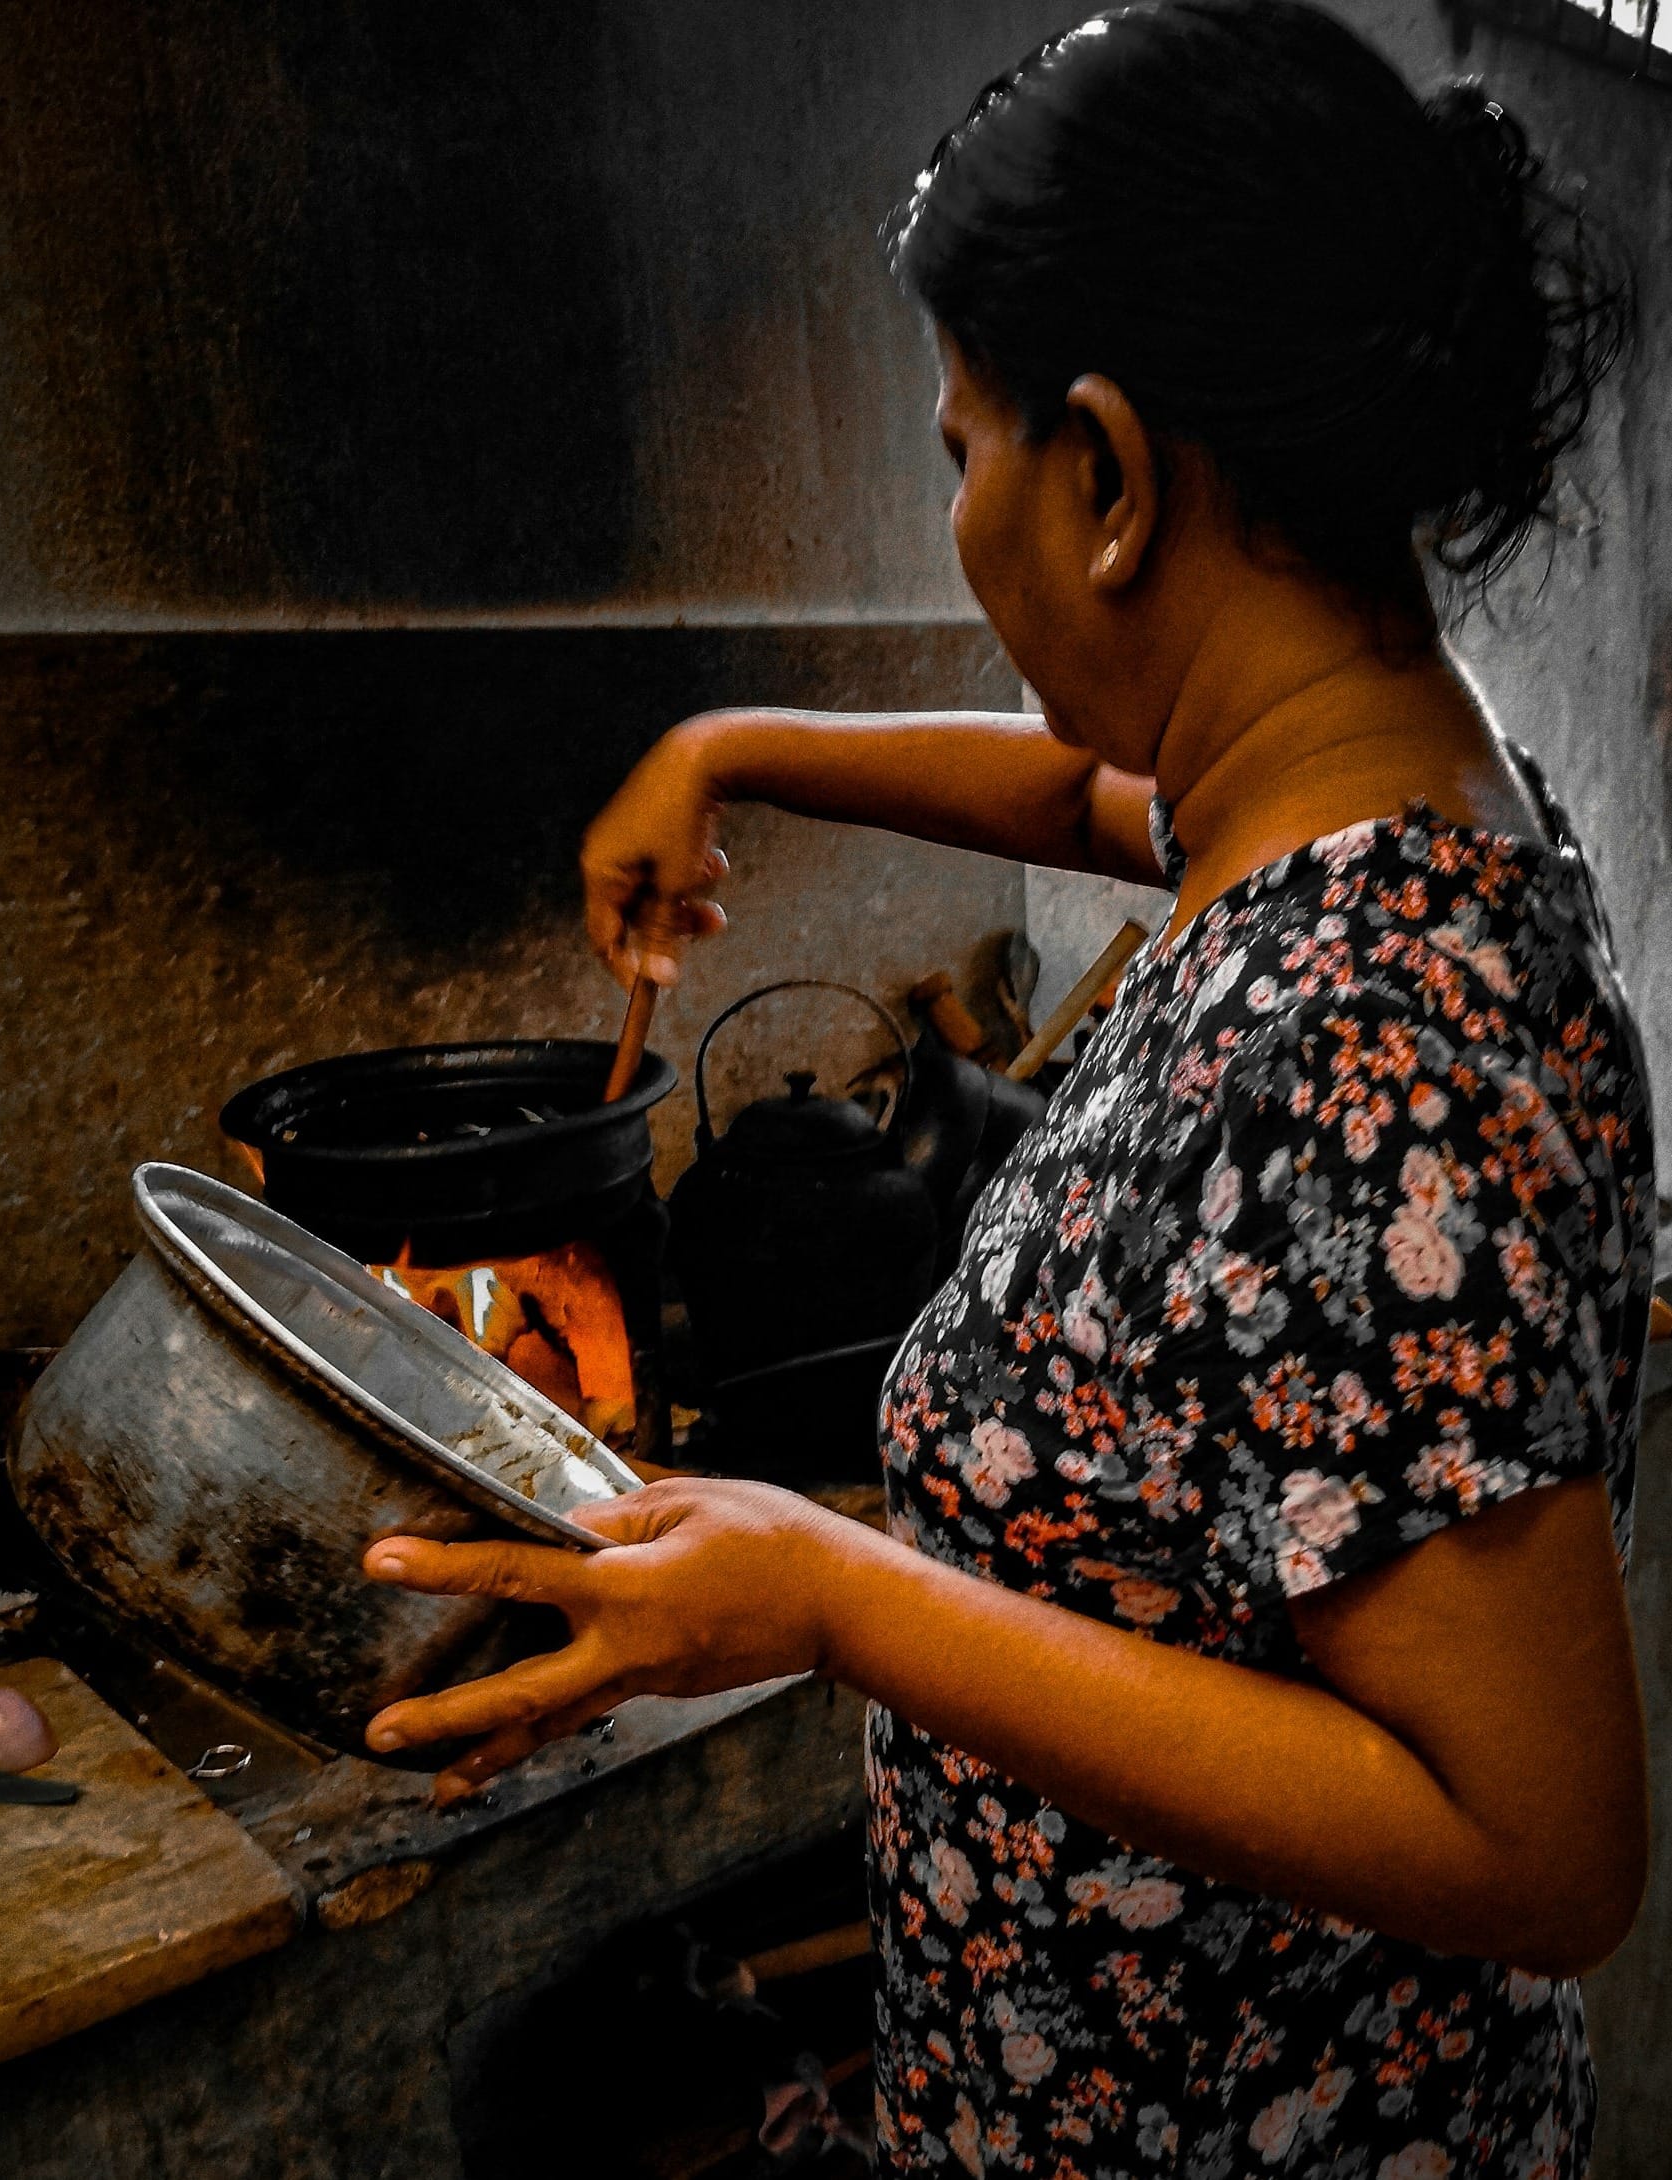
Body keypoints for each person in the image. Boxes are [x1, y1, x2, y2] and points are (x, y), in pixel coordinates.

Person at [360, 4, 1654, 2172]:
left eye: (962, 447)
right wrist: (725, 748)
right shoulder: (1374, 798)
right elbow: (1093, 789)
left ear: (1116, 478)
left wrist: (836, 1591)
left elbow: (1539, 1848)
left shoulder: (1357, 1034)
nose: (957, 503)